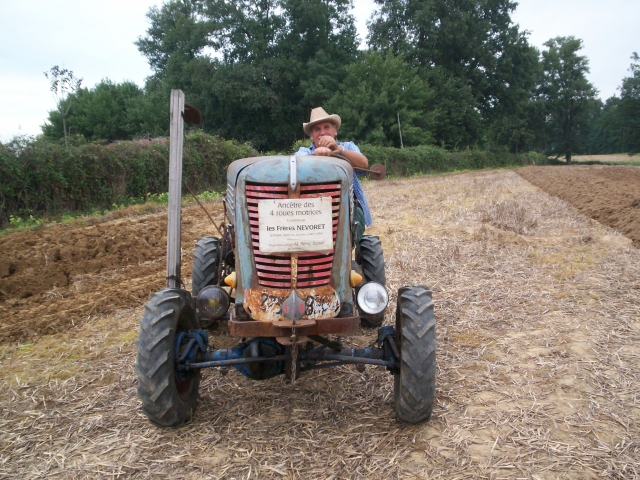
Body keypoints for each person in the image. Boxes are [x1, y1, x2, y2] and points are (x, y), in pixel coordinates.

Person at [294, 107, 372, 243]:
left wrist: (339, 150)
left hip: (348, 207)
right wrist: (315, 156)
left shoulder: (348, 146)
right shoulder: (303, 152)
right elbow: (295, 167)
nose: (322, 133)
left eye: (326, 127)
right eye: (317, 129)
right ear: (312, 135)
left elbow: (364, 164)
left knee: (352, 227)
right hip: (312, 207)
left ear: (335, 131)